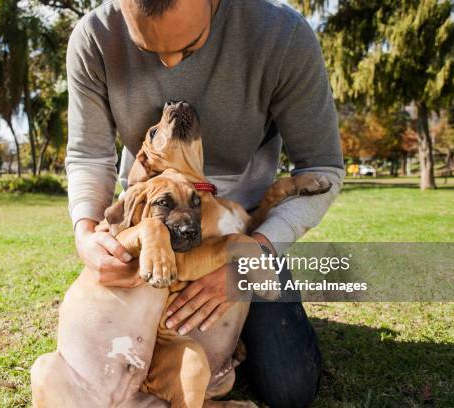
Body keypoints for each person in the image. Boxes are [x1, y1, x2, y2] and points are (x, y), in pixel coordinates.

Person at [66, 0, 345, 406]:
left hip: (247, 231)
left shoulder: (281, 36)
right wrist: (86, 231)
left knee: (290, 387)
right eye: (147, 49)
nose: (169, 64)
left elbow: (323, 166)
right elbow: (90, 155)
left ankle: (229, 341)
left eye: (191, 47)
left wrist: (254, 257)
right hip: (160, 233)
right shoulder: (94, 37)